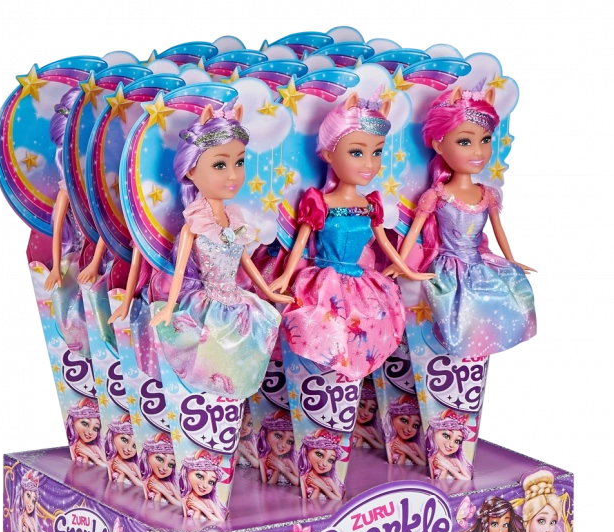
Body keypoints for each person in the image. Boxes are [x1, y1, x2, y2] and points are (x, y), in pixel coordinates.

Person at [269, 88, 434, 381]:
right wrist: (285, 275)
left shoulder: (370, 203)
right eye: (357, 152)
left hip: (360, 280)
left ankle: (347, 380)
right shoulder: (320, 202)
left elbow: (384, 243)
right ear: (329, 153)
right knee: (324, 327)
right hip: (324, 280)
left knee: (366, 327)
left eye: (377, 152)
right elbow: (301, 241)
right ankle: (319, 379)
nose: (369, 163)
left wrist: (406, 268)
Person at [149, 99, 293, 399]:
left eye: (239, 163)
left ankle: (228, 403)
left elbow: (245, 261)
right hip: (208, 305)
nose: (233, 175)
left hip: (237, 302)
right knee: (209, 355)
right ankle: (206, 401)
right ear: (191, 171)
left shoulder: (234, 218)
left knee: (245, 351)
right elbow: (179, 271)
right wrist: (170, 307)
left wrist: (268, 292)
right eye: (220, 165)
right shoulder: (195, 223)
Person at [386, 81, 538, 358]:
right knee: (458, 312)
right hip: (449, 267)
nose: (478, 151)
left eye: (485, 140)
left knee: (503, 295)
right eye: (465, 142)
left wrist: (512, 261)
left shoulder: (487, 194)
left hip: (478, 263)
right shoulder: (437, 195)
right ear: (439, 145)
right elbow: (414, 232)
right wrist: (401, 263)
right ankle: (459, 354)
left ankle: (477, 354)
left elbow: (499, 233)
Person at [43, 88, 110, 358]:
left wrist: (96, 262)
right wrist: (55, 268)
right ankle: (87, 353)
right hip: (79, 255)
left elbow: (107, 227)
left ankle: (107, 350)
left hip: (104, 257)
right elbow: (57, 231)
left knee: (103, 297)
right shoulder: (65, 192)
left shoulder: (100, 188)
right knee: (69, 297)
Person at [178, 450, 227, 521]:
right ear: (186, 472)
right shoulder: (184, 501)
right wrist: (197, 512)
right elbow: (186, 522)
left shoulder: (209, 502)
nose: (204, 485)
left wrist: (201, 508)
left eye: (211, 482)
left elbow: (221, 521)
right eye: (200, 476)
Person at [298, 429, 346, 500]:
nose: (324, 464)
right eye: (319, 454)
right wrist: (317, 489)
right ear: (306, 450)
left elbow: (338, 498)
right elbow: (305, 502)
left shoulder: (328, 480)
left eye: (330, 460)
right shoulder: (303, 478)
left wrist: (320, 486)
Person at [426, 409, 472, 480]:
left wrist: (448, 467)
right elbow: (434, 483)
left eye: (457, 441)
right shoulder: (431, 460)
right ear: (433, 432)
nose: (451, 445)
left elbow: (467, 479)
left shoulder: (455, 461)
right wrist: (444, 472)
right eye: (446, 436)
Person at [256, 409, 299, 486]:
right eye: (278, 436)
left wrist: (283, 469)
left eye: (289, 441)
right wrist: (276, 471)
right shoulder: (264, 460)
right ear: (265, 433)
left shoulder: (287, 461)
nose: (283, 445)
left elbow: (298, 482)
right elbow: (266, 485)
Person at [138, 434, 181, 506]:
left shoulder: (169, 484)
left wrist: (162, 491)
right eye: (160, 459)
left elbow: (180, 504)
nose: (164, 468)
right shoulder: (145, 482)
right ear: (147, 455)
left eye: (171, 465)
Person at [383, 393, 425, 465]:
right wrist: (403, 455)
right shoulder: (390, 445)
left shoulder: (413, 445)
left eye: (415, 425)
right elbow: (393, 466)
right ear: (392, 417)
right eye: (404, 420)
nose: (409, 429)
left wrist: (407, 451)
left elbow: (423, 463)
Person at [102, 413, 141, 487]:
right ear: (112, 436)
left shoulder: (132, 465)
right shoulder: (109, 462)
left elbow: (143, 485)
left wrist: (126, 472)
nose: (129, 449)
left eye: (134, 446)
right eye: (125, 440)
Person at [65, 398, 105, 467]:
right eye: (85, 424)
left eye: (95, 428)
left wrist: (91, 457)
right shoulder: (72, 448)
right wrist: (86, 458)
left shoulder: (95, 447)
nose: (90, 432)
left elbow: (106, 465)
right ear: (73, 421)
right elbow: (75, 468)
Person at [351, 380, 384, 449]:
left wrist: (365, 436)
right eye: (361, 405)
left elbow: (382, 447)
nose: (366, 413)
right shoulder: (347, 426)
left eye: (371, 410)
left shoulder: (370, 429)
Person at [236, 400, 259, 469]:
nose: (244, 427)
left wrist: (245, 452)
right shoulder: (231, 442)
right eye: (241, 420)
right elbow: (233, 463)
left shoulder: (248, 443)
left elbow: (257, 464)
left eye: (250, 424)